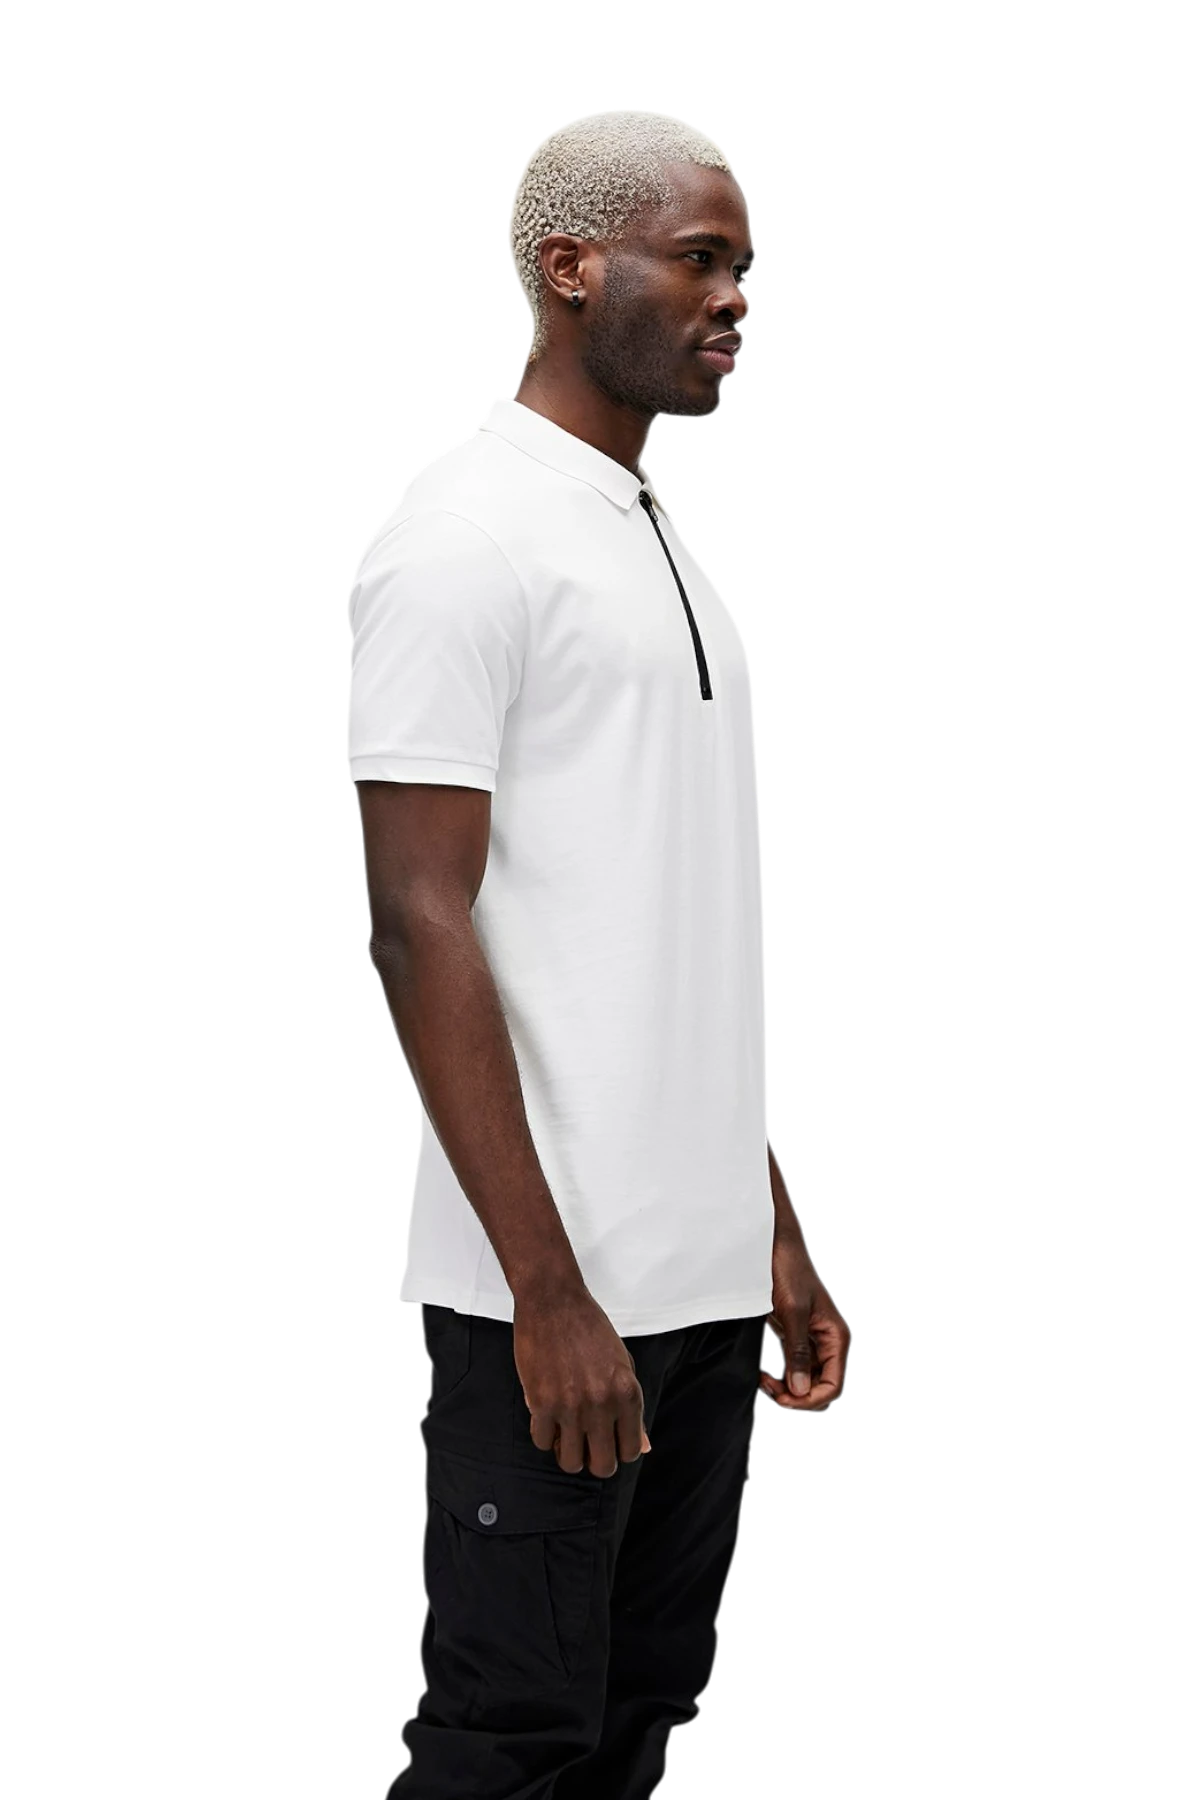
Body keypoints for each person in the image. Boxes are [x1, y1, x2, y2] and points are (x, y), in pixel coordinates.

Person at [346, 109, 850, 1799]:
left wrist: (763, 1224)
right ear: (570, 268)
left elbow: (669, 928)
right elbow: (420, 921)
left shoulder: (665, 544)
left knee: (644, 1729)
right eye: (698, 260)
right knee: (512, 1749)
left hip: (696, 1289)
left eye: (743, 266)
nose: (735, 297)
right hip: (548, 1303)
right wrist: (548, 1296)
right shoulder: (461, 535)